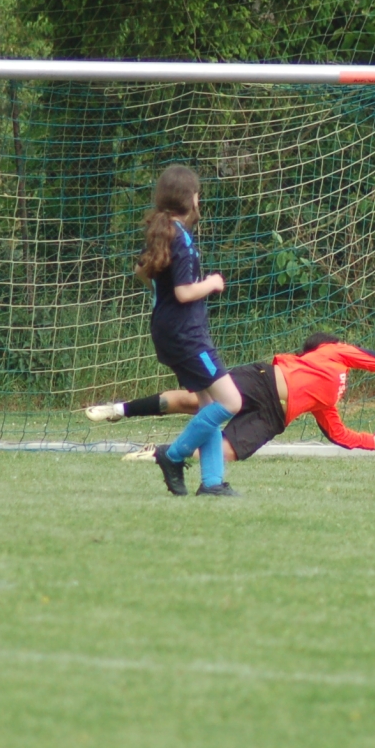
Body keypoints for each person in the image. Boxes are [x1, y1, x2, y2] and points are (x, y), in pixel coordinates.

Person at [88, 333, 375, 462]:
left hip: (272, 418)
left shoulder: (326, 404)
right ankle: (119, 409)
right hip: (263, 381)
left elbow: (338, 434)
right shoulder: (330, 352)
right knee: (194, 400)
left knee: (226, 453)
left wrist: (372, 442)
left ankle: (157, 454)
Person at [132, 165, 242, 498]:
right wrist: (211, 283)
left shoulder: (163, 231)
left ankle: (212, 483)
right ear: (191, 199)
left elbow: (141, 271)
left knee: (208, 405)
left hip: (169, 332)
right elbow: (183, 292)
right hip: (187, 336)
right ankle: (173, 455)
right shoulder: (180, 238)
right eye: (197, 194)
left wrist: (162, 295)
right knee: (231, 402)